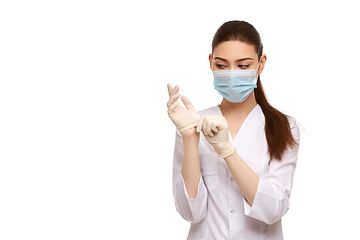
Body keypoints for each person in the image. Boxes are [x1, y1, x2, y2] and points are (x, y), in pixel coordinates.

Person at [167, 20, 300, 240]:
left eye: (243, 65)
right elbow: (190, 212)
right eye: (221, 65)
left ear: (261, 63)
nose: (231, 73)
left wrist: (226, 150)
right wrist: (190, 137)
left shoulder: (284, 127)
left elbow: (273, 209)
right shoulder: (193, 124)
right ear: (210, 62)